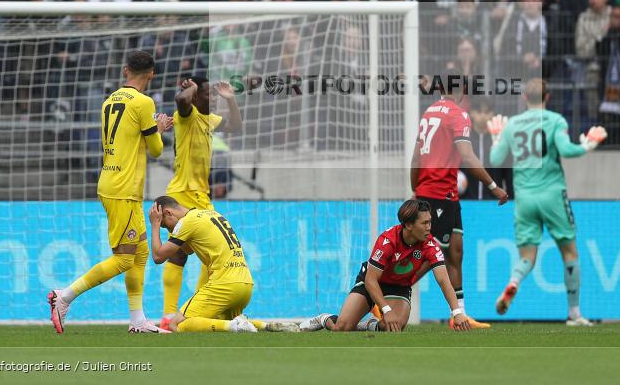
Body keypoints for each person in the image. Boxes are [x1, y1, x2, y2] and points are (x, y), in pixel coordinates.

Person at [48, 51, 173, 334]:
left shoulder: (110, 100)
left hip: (111, 180)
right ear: (152, 74)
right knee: (125, 258)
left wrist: (149, 130)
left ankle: (137, 319)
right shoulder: (144, 102)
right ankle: (63, 296)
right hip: (123, 189)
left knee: (140, 252)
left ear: (125, 70)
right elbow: (155, 150)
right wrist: (159, 128)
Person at [489, 79, 606, 325]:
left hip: (524, 198)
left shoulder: (512, 125)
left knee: (527, 256)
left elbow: (495, 158)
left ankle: (514, 282)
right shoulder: (555, 120)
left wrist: (497, 139)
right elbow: (567, 150)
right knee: (569, 252)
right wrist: (587, 145)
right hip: (552, 194)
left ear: (524, 98)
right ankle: (574, 313)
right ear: (548, 97)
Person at [411, 76, 508, 328]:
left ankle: (459, 316)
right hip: (438, 193)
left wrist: (415, 189)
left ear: (440, 89)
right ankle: (386, 293)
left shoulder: (428, 112)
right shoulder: (458, 115)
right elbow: (466, 155)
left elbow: (416, 156)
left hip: (445, 194)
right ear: (464, 90)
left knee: (455, 252)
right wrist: (494, 186)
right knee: (431, 256)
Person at [299, 200, 471, 333]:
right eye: (424, 223)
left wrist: (457, 312)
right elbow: (371, 279)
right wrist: (386, 309)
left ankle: (370, 325)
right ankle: (324, 319)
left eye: (430, 222)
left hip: (399, 286)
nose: (429, 228)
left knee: (394, 327)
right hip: (373, 281)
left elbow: (443, 281)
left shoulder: (430, 245)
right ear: (409, 225)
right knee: (342, 328)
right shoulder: (387, 241)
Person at [159, 77, 243, 331]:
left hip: (201, 198)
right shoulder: (186, 115)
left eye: (214, 95)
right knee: (178, 256)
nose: (213, 98)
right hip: (181, 195)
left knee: (211, 255)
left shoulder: (209, 120)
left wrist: (230, 99)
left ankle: (196, 310)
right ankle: (170, 315)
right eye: (209, 94)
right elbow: (181, 100)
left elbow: (236, 126)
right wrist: (192, 89)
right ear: (197, 97)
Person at [149, 196, 297, 333]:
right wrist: (172, 230)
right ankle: (266, 326)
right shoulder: (211, 214)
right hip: (245, 285)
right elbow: (188, 251)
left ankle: (234, 326)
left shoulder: (187, 222)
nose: (168, 230)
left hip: (223, 285)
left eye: (164, 225)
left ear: (168, 212)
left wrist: (154, 225)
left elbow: (158, 256)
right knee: (218, 321)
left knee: (176, 324)